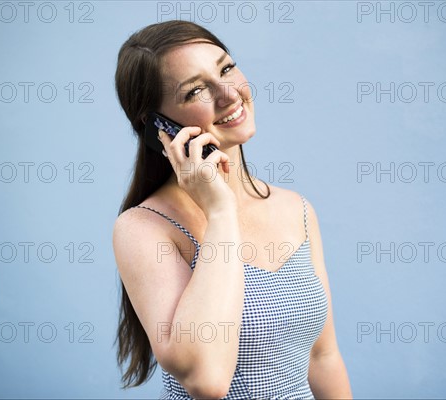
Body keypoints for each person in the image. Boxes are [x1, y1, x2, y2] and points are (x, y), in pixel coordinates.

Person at [112, 20, 352, 399]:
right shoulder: (143, 228)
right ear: (158, 127)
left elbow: (323, 358)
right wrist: (221, 212)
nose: (229, 94)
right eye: (195, 91)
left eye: (225, 68)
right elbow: (206, 379)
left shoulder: (298, 210)